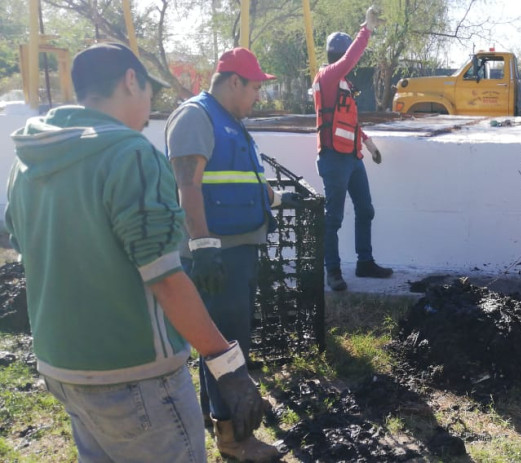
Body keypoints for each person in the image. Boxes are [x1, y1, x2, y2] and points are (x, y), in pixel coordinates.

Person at [5, 42, 266, 462]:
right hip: (135, 372)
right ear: (130, 80)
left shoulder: (29, 159)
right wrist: (227, 365)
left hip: (62, 367)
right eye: (149, 92)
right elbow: (164, 277)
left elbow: (19, 241)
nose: (150, 106)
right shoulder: (132, 155)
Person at [166, 47, 286, 461]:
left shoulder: (231, 122)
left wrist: (270, 195)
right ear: (234, 81)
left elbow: (232, 178)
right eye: (254, 87)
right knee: (228, 347)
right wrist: (202, 248)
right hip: (217, 257)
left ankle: (216, 414)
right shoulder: (196, 116)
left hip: (237, 252)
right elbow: (189, 186)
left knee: (221, 341)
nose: (258, 96)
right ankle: (234, 440)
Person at [314, 6, 392, 291]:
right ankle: (333, 271)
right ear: (340, 55)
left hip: (352, 157)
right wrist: (366, 30)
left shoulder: (343, 83)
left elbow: (348, 123)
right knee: (333, 218)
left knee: (365, 209)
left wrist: (369, 145)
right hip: (334, 159)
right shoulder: (329, 77)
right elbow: (350, 59)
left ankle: (365, 262)